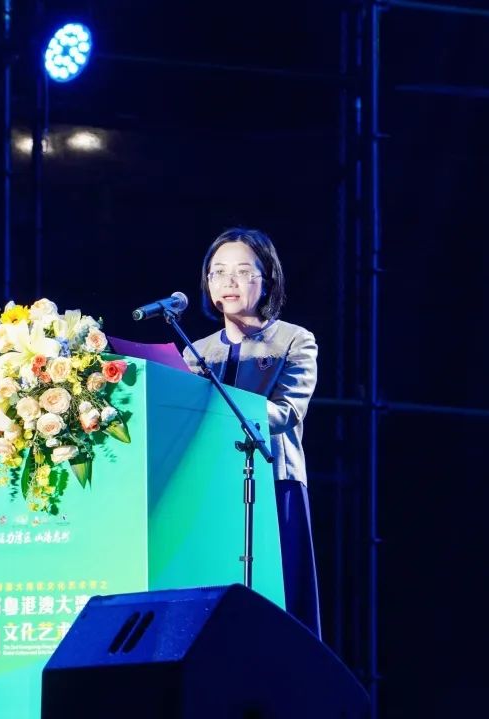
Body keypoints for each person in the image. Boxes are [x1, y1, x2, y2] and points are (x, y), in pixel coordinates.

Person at [182, 227, 321, 638]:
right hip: (211, 488)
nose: (229, 281)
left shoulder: (294, 340)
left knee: (277, 604)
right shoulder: (196, 351)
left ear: (268, 279)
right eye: (218, 272)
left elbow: (287, 411)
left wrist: (219, 412)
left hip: (275, 483)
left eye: (243, 271)